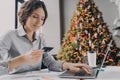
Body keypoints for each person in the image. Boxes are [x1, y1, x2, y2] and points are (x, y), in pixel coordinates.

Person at [0, 0, 90, 74]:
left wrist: (69, 65)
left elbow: (51, 63)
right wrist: (23, 59)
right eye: (35, 16)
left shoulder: (40, 39)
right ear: (24, 16)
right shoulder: (9, 36)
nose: (39, 21)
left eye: (42, 19)